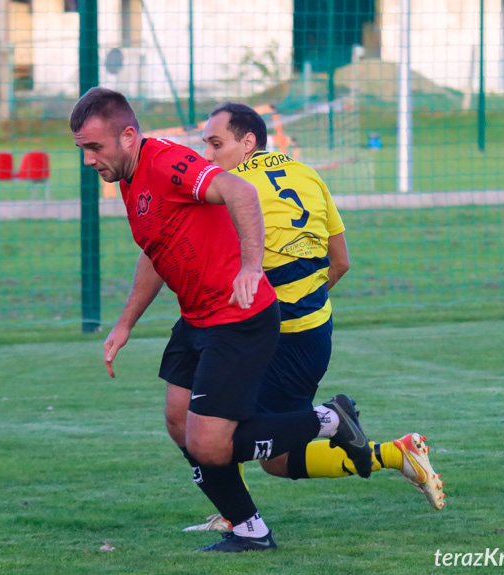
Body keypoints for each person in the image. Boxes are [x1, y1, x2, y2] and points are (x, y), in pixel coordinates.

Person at [70, 87, 374, 553]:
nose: (89, 159)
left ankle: (329, 420)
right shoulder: (130, 179)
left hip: (238, 318)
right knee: (178, 422)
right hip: (196, 318)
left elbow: (241, 191)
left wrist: (253, 266)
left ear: (128, 136)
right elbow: (156, 250)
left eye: (95, 147)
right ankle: (249, 528)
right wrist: (125, 322)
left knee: (211, 445)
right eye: (82, 149)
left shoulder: (169, 162)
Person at [181, 102, 445, 533]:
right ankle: (399, 453)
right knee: (276, 457)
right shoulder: (309, 174)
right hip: (314, 334)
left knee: (228, 431)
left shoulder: (232, 189)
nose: (208, 155)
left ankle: (238, 517)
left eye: (215, 143)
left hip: (268, 336)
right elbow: (340, 261)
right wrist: (304, 299)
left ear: (247, 143)